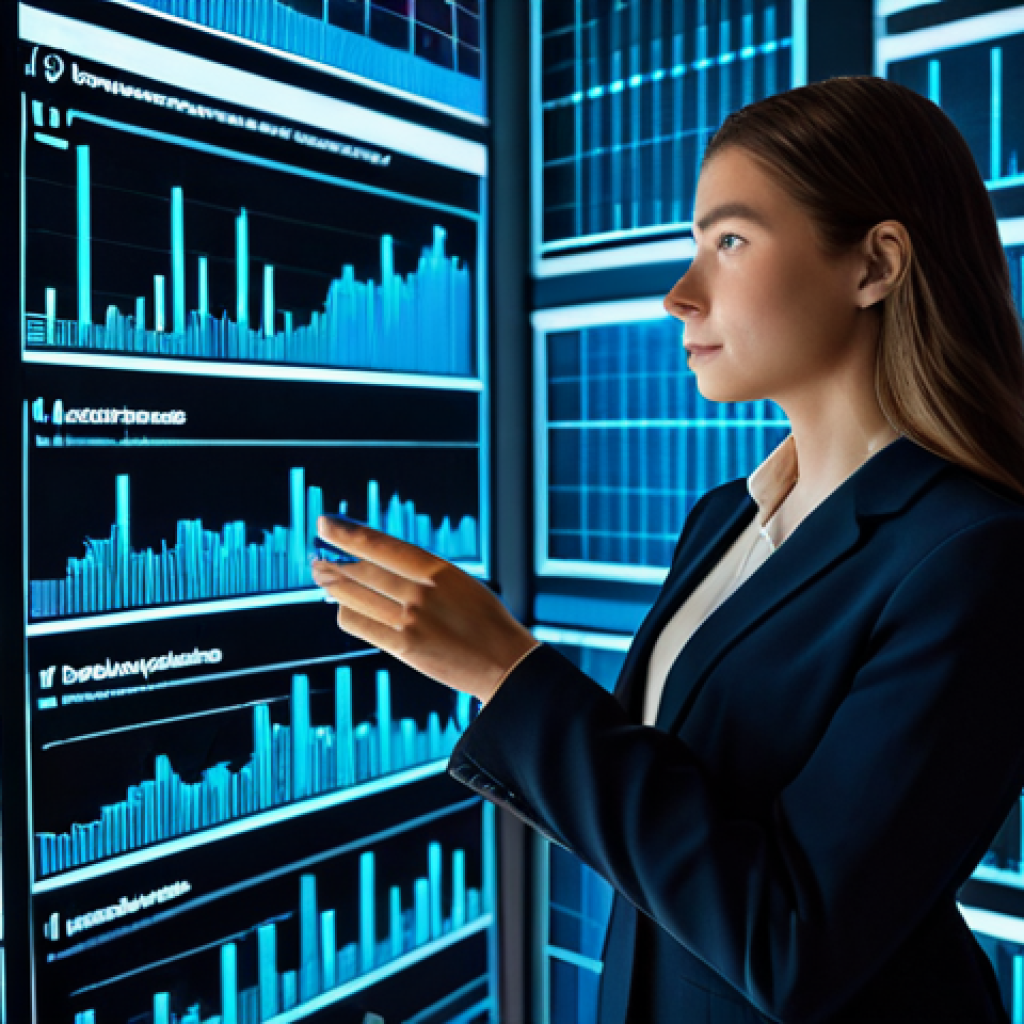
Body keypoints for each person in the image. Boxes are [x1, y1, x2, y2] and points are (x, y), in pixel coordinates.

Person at [311, 75, 1024, 1023]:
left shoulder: (974, 558)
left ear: (875, 265)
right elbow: (677, 832)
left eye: (729, 241)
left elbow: (793, 943)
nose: (680, 295)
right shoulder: (725, 517)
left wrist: (507, 672)